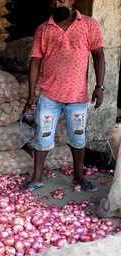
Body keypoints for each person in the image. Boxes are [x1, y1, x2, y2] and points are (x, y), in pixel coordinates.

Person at [25, 0, 106, 192]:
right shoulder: (44, 29)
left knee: (78, 139)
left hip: (77, 96)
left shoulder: (89, 24)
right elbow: (35, 62)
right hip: (48, 95)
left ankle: (78, 178)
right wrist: (31, 95)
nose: (60, 1)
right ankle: (37, 178)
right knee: (42, 137)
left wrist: (99, 86)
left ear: (72, 1)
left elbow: (99, 55)